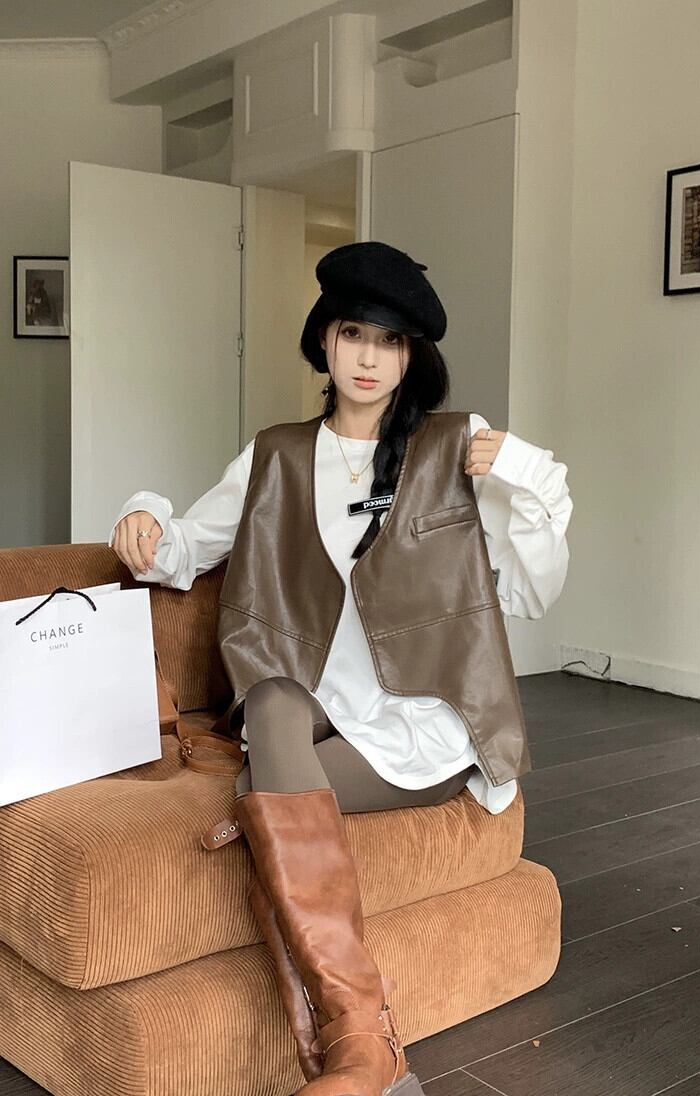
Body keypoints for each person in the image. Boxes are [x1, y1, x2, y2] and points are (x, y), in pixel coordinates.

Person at [110, 241, 573, 1096]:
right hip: (315, 701)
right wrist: (141, 513)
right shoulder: (275, 455)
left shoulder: (454, 445)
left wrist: (529, 478)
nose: (369, 357)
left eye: (390, 341)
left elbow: (531, 594)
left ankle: (357, 1039)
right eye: (353, 333)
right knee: (272, 700)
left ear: (411, 356)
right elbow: (178, 552)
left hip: (425, 718)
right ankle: (366, 1042)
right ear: (323, 341)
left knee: (265, 782)